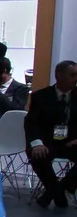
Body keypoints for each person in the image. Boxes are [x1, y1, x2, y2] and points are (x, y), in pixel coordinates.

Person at [24, 59, 77, 208]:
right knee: (38, 157)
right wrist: (37, 144)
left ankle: (54, 193)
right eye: (72, 75)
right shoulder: (41, 97)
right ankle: (59, 195)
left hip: (71, 142)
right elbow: (31, 123)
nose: (76, 79)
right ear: (59, 75)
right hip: (47, 142)